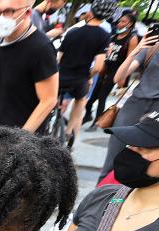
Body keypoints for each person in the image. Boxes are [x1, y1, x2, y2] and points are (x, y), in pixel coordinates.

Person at [0, 0, 59, 133]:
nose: (2, 17)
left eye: (9, 11)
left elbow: (48, 100)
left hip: (27, 139)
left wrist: (22, 136)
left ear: (27, 13)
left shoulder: (41, 49)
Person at [98, 25, 159, 180]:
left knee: (146, 167)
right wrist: (137, 50)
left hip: (156, 115)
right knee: (112, 160)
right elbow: (118, 78)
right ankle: (98, 198)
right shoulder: (152, 47)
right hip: (135, 106)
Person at [56, 0, 112, 144]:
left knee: (52, 101)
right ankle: (68, 133)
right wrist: (89, 76)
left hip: (60, 76)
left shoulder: (73, 32)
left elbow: (58, 58)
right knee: (80, 100)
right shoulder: (104, 36)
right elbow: (98, 67)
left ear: (91, 12)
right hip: (80, 78)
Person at [85, 8, 140, 128]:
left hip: (116, 71)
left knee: (102, 96)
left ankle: (97, 122)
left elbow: (129, 58)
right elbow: (106, 54)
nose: (119, 24)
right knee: (93, 95)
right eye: (119, 21)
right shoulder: (115, 36)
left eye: (123, 22)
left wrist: (123, 78)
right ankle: (87, 114)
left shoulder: (132, 38)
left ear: (129, 24)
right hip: (106, 68)